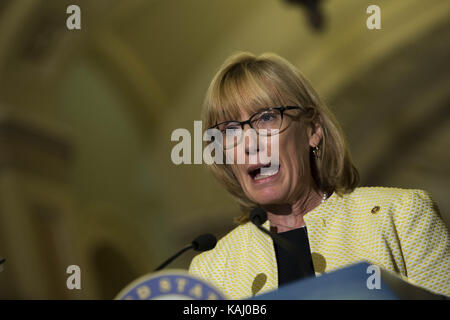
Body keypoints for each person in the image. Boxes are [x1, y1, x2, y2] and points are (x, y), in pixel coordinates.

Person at [188, 51, 450, 299]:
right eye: (230, 130)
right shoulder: (211, 271)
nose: (249, 143)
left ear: (312, 129)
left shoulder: (401, 215)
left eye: (266, 117)